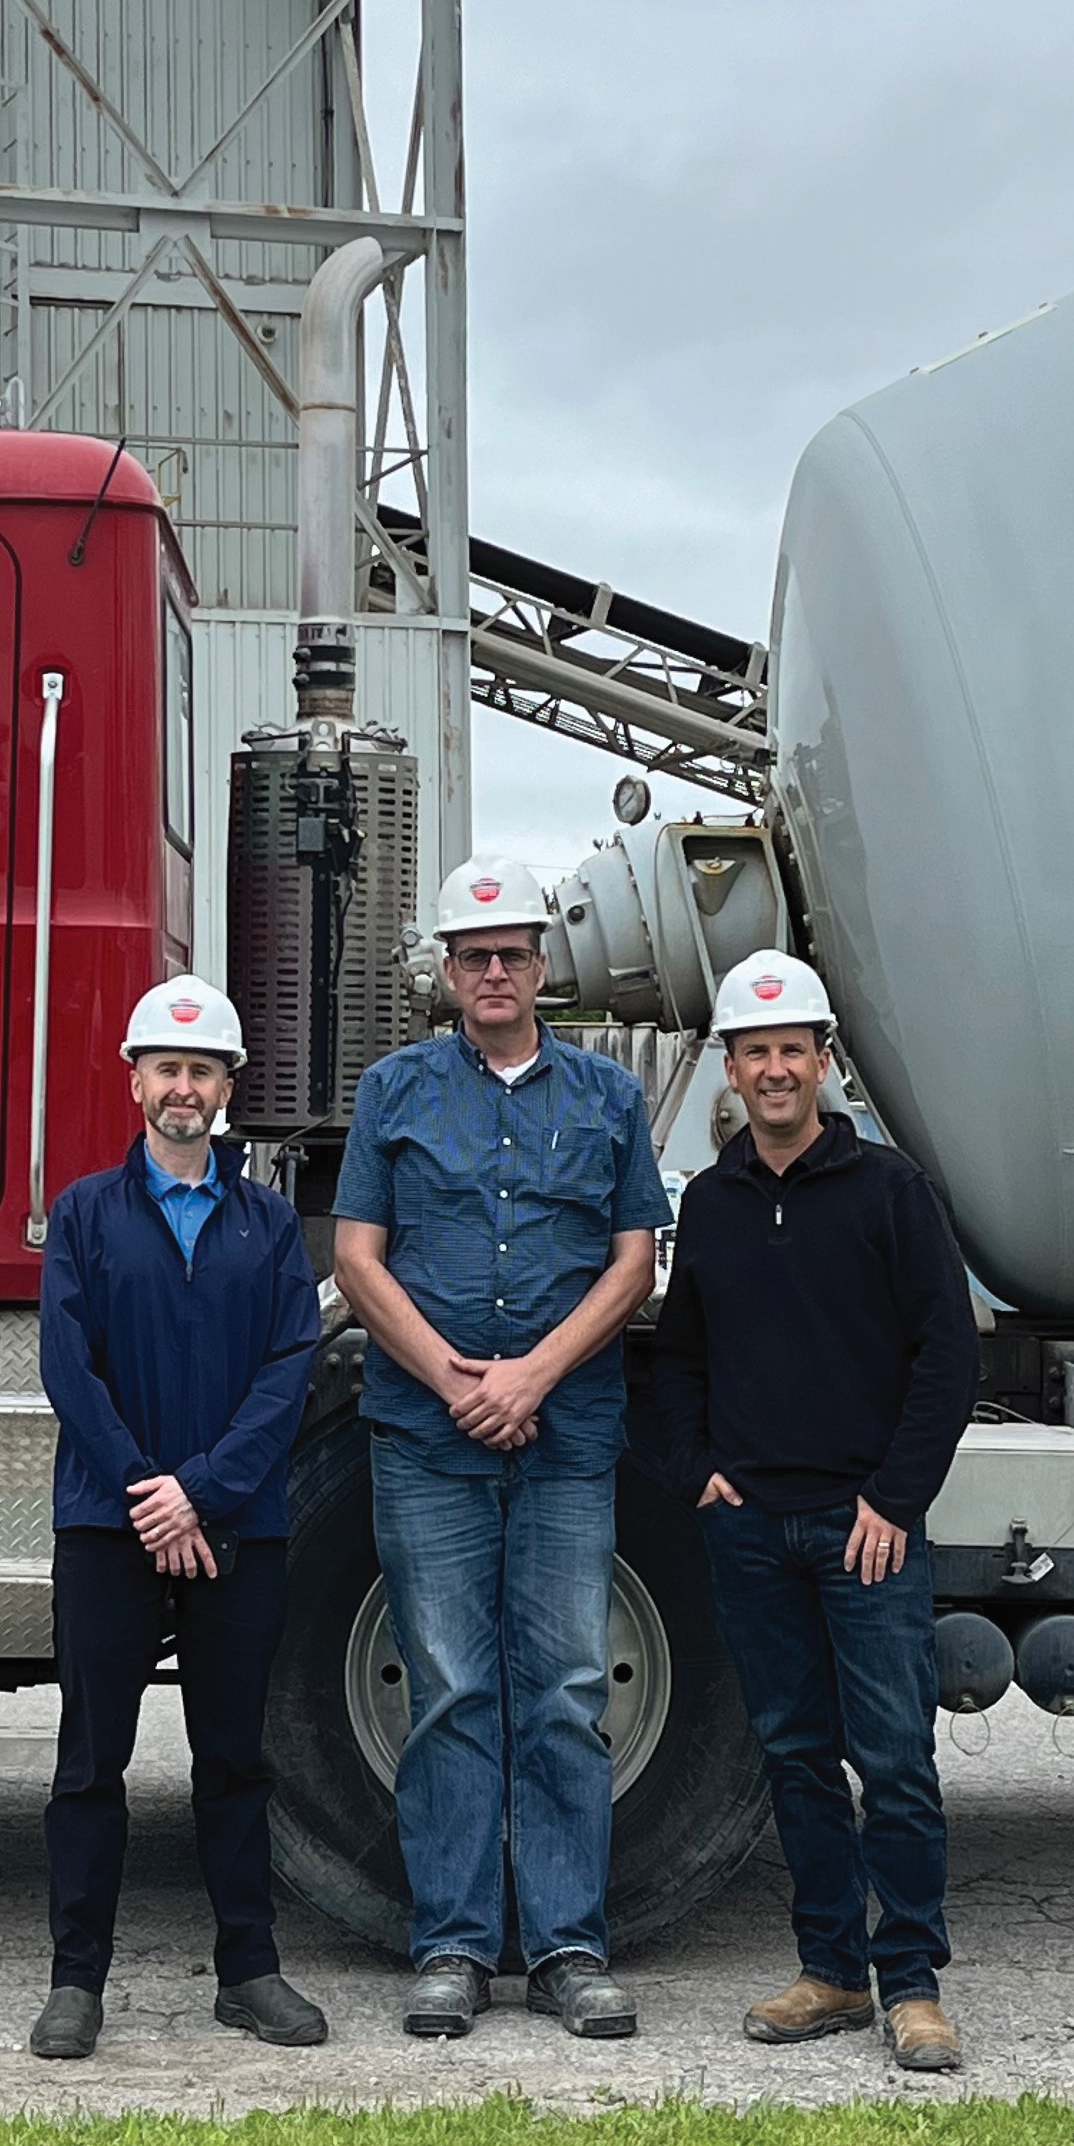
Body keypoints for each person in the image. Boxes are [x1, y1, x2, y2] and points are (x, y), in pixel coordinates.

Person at [332, 855, 671, 2041]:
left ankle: (572, 1946)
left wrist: (532, 1375)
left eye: (511, 954)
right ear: (446, 971)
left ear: (539, 966)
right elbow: (358, 1256)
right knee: (451, 1690)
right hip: (428, 1438)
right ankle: (456, 1947)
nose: (492, 973)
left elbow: (634, 1258)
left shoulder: (607, 1100)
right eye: (472, 956)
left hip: (568, 1434)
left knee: (570, 1690)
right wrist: (454, 1378)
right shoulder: (394, 1093)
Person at [641, 949, 983, 2072]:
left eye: (794, 1049)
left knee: (892, 1759)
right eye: (756, 1052)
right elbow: (680, 1353)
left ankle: (915, 1983)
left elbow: (947, 1355)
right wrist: (697, 1464)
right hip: (751, 1525)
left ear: (824, 1062)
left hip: (863, 1529)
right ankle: (832, 1970)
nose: (776, 1069)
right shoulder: (716, 1203)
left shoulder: (891, 1192)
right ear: (730, 1071)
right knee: (793, 1754)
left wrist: (893, 1497)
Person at [30, 978, 328, 2062]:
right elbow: (71, 1367)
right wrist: (149, 1495)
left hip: (234, 1522)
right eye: (167, 1068)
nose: (184, 1088)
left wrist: (200, 1491)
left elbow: (290, 1367)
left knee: (236, 1759)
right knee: (90, 1762)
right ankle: (76, 1982)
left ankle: (248, 1971)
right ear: (135, 1082)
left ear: (228, 1089)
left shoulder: (267, 1227)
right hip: (109, 1524)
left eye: (203, 1070)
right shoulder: (84, 1215)